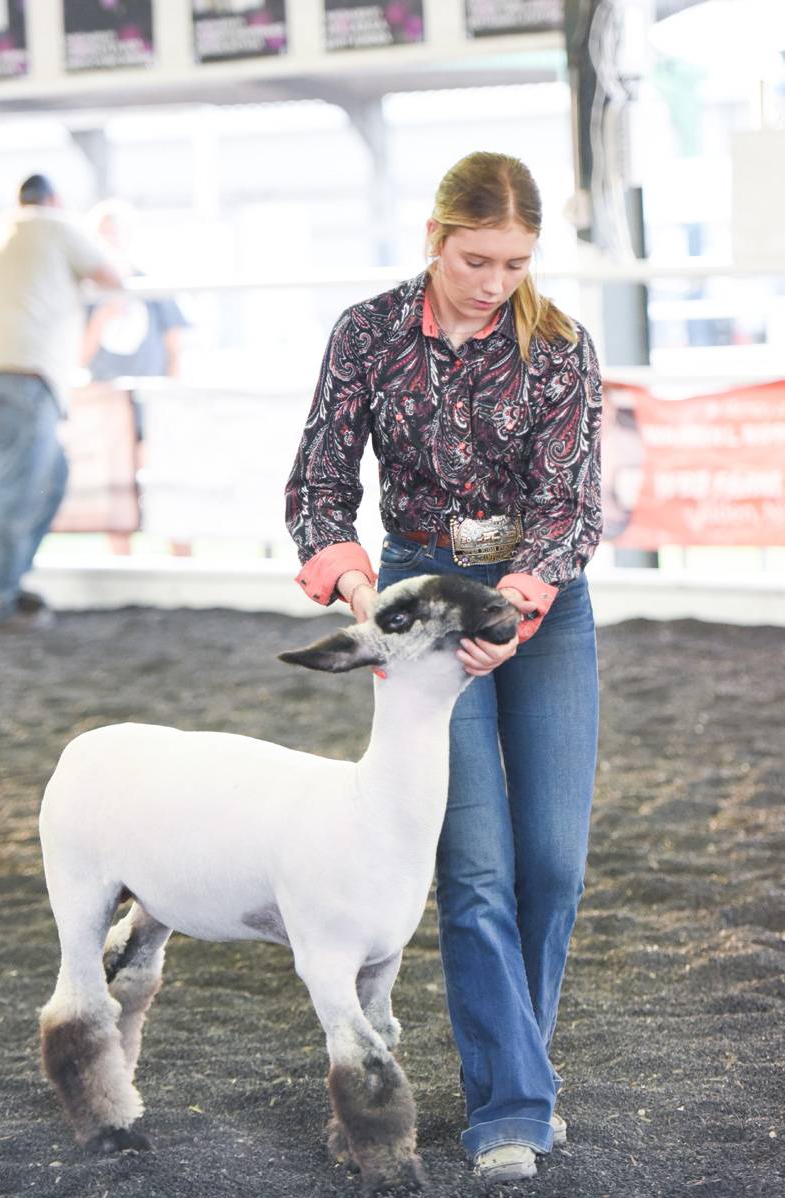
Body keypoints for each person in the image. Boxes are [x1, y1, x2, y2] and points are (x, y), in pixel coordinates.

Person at [285, 151, 602, 1184]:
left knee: (550, 864)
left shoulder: (558, 346)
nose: (494, 282)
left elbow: (570, 507)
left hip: (539, 600)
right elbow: (320, 483)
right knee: (473, 871)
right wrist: (352, 585)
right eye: (476, 259)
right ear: (435, 237)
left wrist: (515, 601)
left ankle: (519, 1070)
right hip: (421, 599)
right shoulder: (366, 333)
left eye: (514, 263)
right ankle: (508, 1106)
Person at [0, 174, 123, 628]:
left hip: (4, 373)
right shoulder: (53, 224)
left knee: (50, 477)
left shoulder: (3, 231)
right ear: (54, 199)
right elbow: (112, 276)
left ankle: (7, 581)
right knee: (19, 492)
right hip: (24, 375)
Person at [81, 199, 190, 556]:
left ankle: (182, 561)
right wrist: (102, 318)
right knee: (114, 488)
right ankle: (121, 565)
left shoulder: (150, 285)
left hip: (152, 401)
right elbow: (77, 354)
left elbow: (176, 345)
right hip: (108, 403)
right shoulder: (86, 294)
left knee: (166, 481)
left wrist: (174, 394)